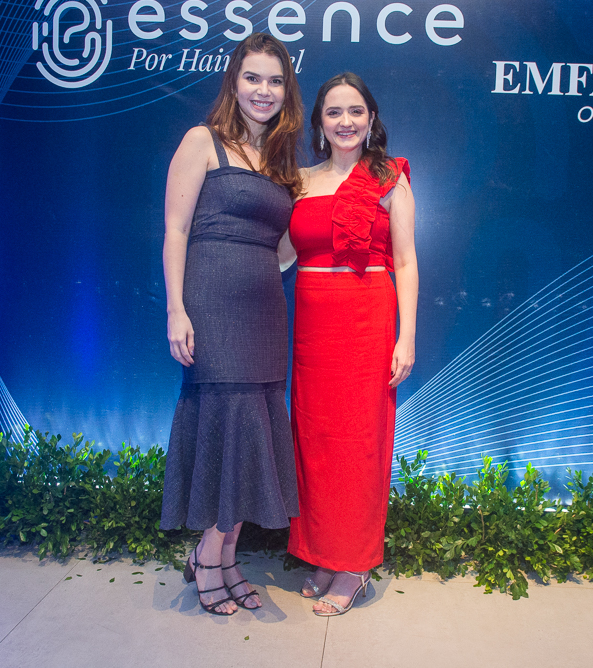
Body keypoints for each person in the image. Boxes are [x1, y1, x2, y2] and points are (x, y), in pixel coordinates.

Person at [159, 33, 303, 616]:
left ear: (286, 90)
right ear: (234, 82)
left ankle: (221, 558)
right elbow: (175, 230)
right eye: (253, 78)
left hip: (265, 310)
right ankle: (207, 557)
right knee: (227, 427)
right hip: (211, 305)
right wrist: (177, 308)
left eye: (275, 80)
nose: (263, 91)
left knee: (254, 435)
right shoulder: (203, 141)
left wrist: (266, 264)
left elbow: (286, 245)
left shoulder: (281, 161)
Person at [285, 72, 418, 616]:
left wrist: (406, 337)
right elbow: (281, 254)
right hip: (312, 325)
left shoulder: (389, 178)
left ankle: (355, 564)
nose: (346, 121)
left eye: (356, 111)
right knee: (316, 441)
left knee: (360, 443)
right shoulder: (298, 180)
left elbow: (406, 261)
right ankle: (324, 553)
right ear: (319, 122)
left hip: (367, 321)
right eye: (334, 111)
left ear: (371, 119)